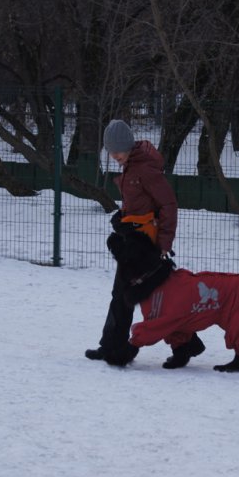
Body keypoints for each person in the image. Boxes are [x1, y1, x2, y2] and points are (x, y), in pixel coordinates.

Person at [85, 119, 205, 367]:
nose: (114, 156)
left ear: (128, 146)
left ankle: (184, 343)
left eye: (117, 150)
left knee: (149, 297)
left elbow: (168, 205)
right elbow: (140, 204)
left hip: (146, 246)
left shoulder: (145, 170)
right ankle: (113, 346)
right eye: (111, 151)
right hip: (135, 242)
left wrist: (163, 243)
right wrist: (123, 217)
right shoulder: (131, 166)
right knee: (130, 295)